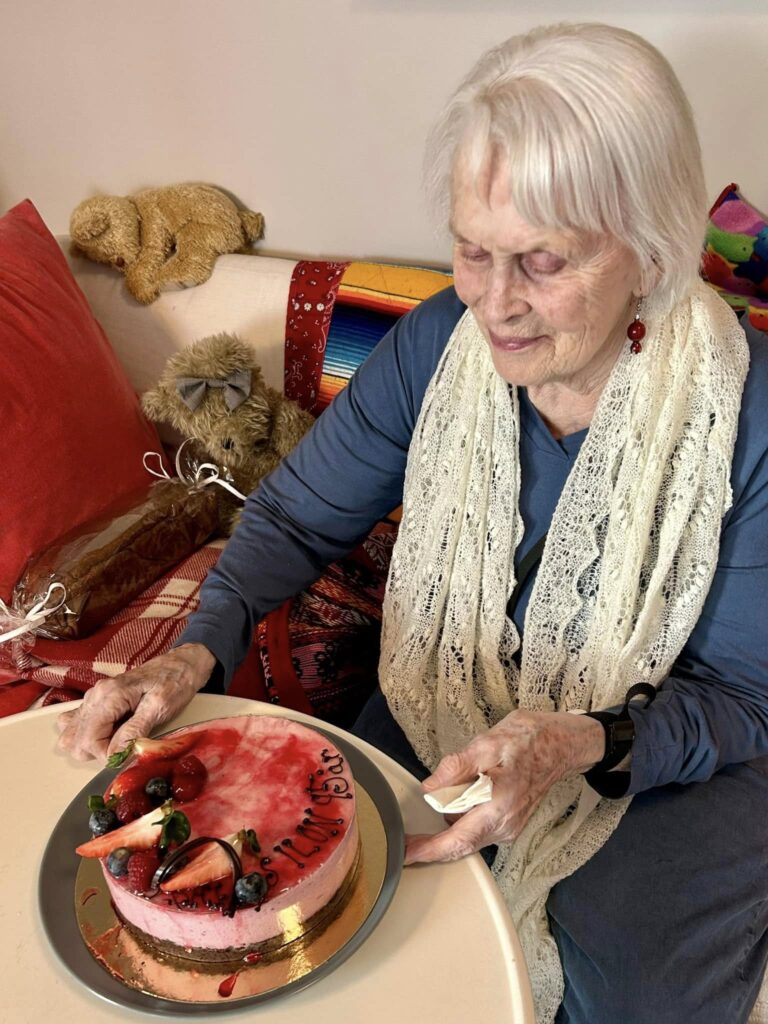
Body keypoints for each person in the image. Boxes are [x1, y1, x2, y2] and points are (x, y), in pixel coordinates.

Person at [57, 23, 768, 1024]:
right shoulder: (444, 337)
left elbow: (744, 696)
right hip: (457, 689)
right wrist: (191, 653)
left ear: (649, 250)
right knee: (354, 921)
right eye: (472, 250)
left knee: (618, 987)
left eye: (542, 262)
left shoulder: (748, 413)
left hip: (679, 746)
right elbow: (298, 513)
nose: (496, 304)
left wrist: (574, 742)